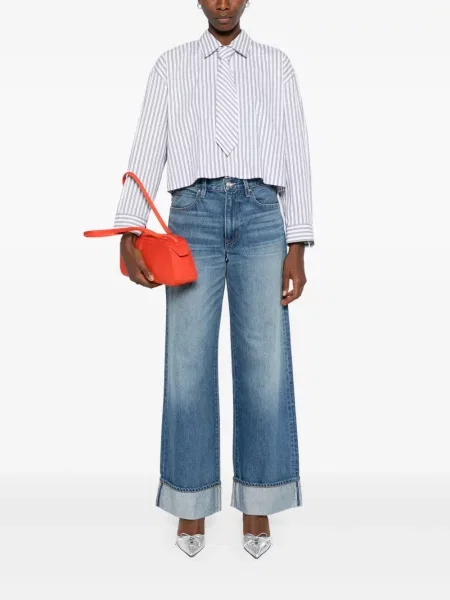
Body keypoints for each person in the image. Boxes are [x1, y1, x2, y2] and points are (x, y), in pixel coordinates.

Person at [114, 0, 314, 559]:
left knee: (264, 362)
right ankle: (191, 499)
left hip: (261, 214)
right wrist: (130, 230)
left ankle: (259, 498)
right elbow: (147, 144)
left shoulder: (275, 65)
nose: (223, 2)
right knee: (188, 363)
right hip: (192, 217)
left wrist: (298, 243)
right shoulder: (171, 65)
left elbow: (296, 152)